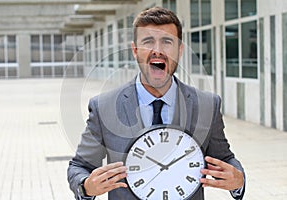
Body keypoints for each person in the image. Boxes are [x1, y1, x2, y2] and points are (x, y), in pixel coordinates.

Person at [67, 7, 245, 200]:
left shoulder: (207, 105)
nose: (157, 51)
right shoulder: (104, 107)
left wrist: (238, 181)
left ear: (180, 49)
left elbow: (224, 159)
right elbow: (79, 167)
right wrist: (86, 187)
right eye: (148, 41)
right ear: (135, 50)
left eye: (167, 42)